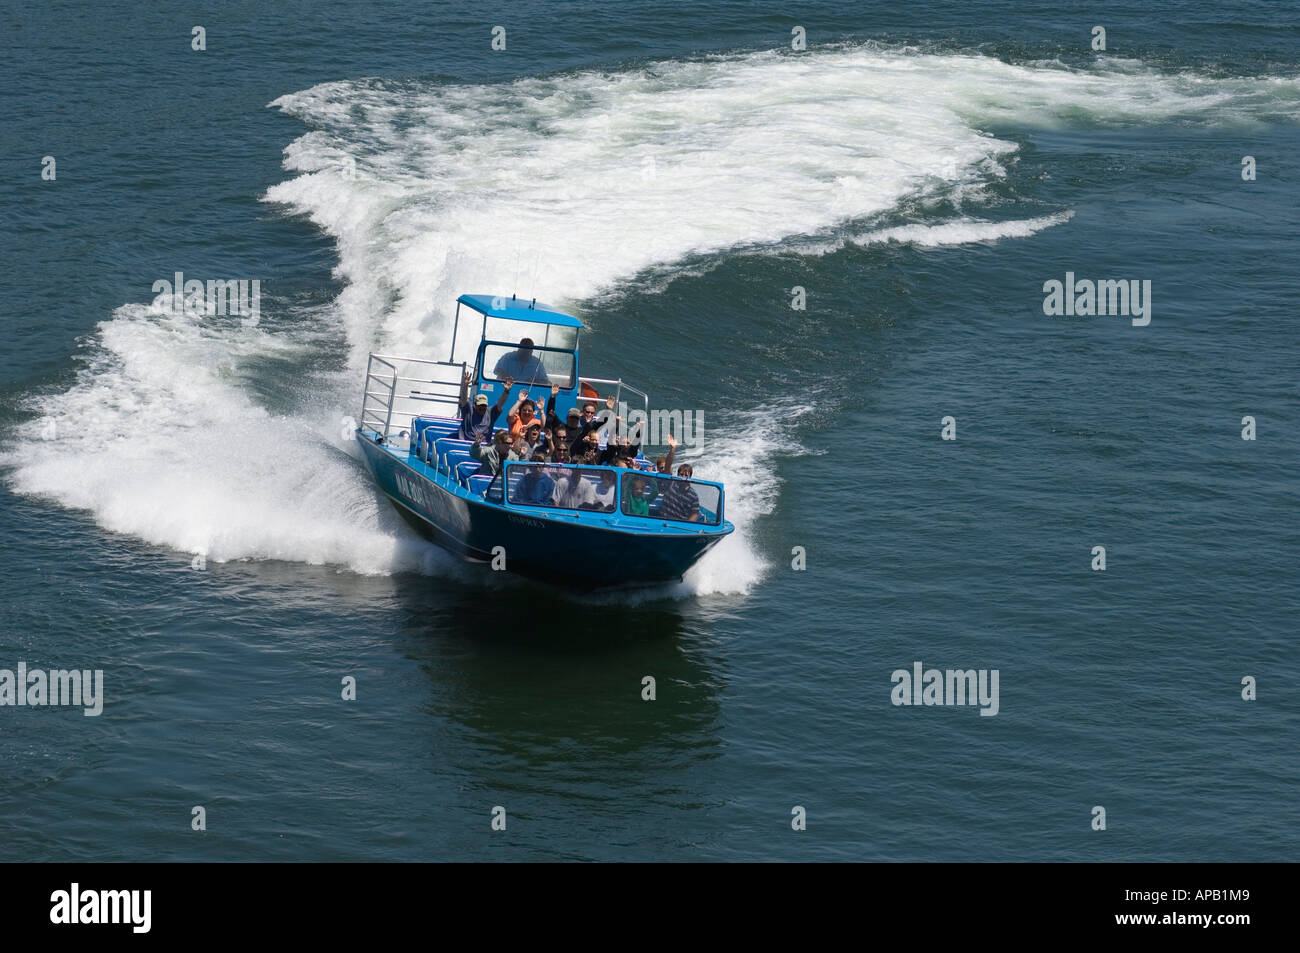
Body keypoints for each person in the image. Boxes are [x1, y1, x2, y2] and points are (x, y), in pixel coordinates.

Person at [458, 372, 510, 442]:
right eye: (480, 405)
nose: (482, 408)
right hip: (467, 443)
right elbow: (464, 399)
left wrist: (506, 391)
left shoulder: (491, 413)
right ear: (475, 405)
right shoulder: (468, 410)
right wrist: (465, 385)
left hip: (484, 445)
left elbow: (500, 403)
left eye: (484, 405)